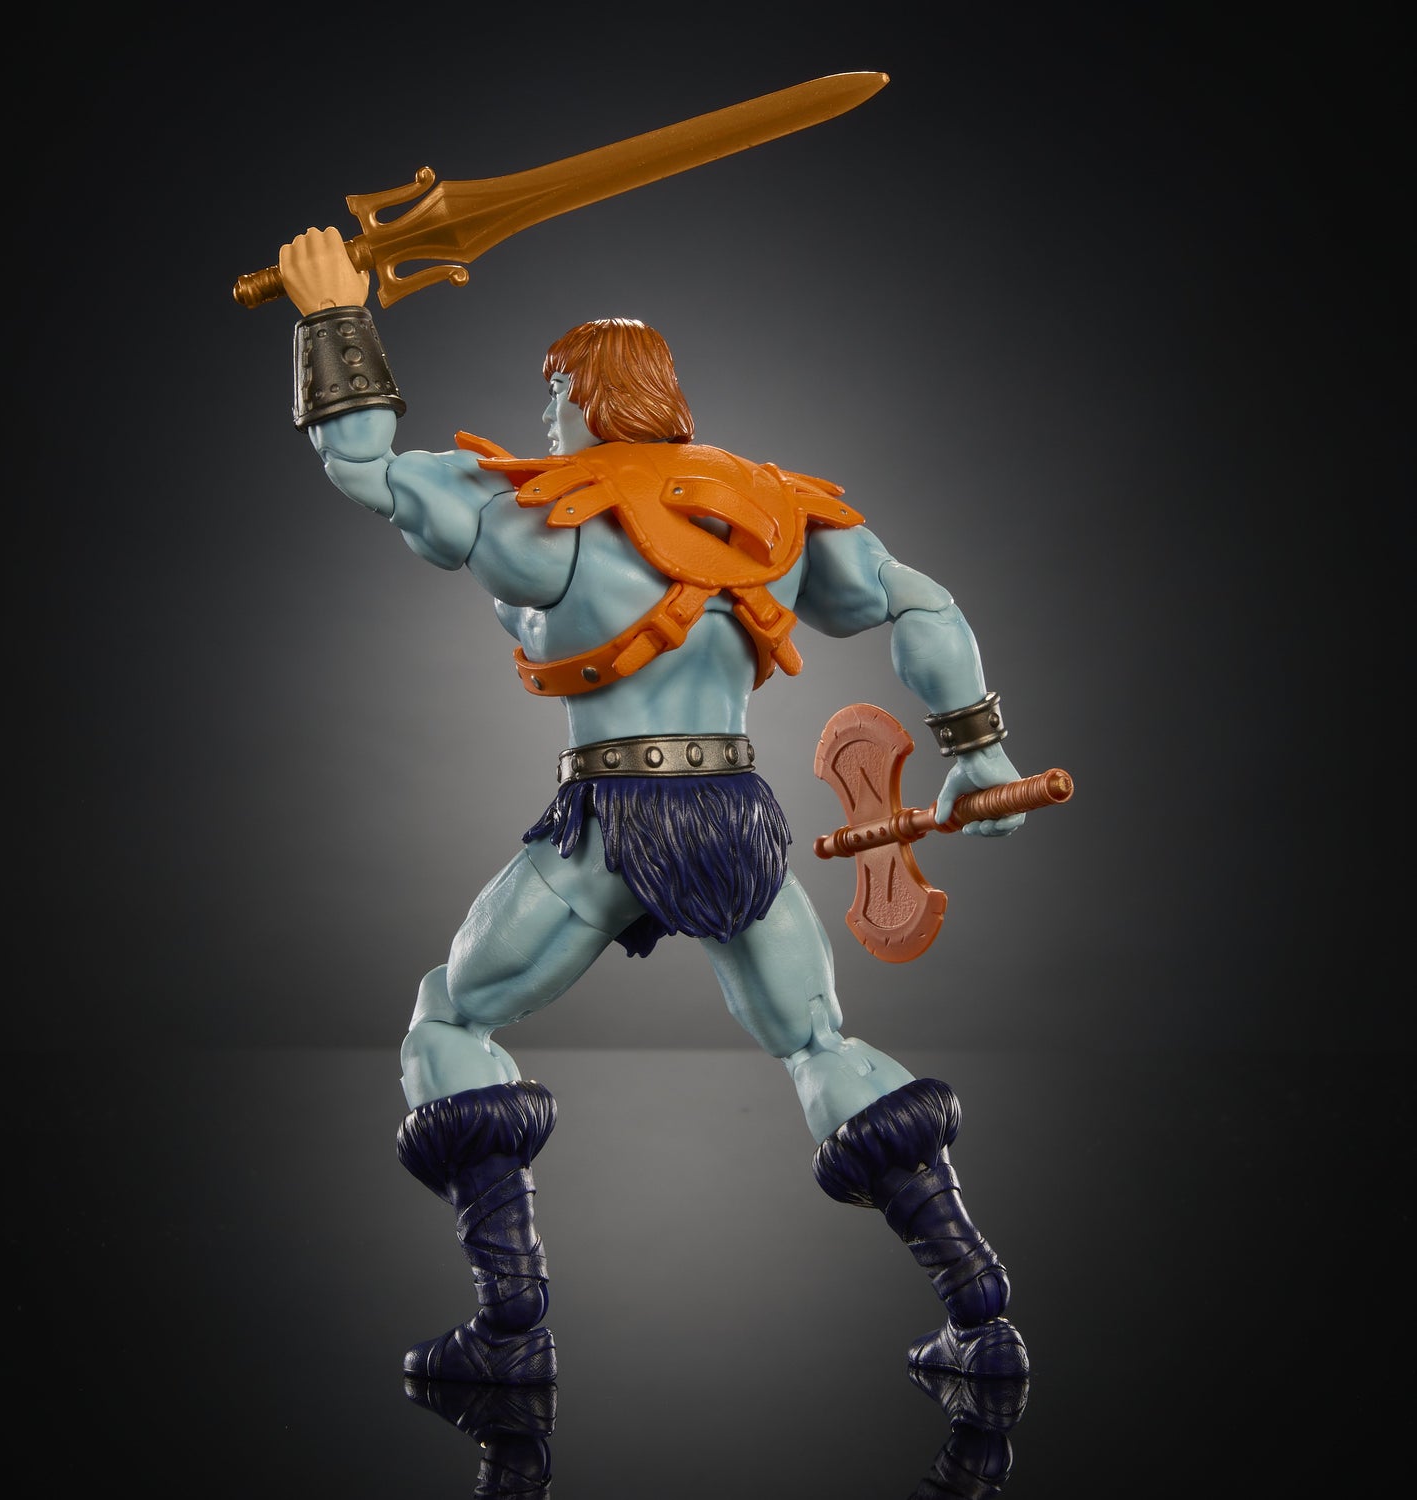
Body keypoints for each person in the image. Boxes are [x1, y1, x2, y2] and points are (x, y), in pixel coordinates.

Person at [277, 226, 1033, 1387]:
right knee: (817, 1043)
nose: (546, 420)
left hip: (609, 822)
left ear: (585, 395)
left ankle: (512, 1327)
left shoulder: (541, 515)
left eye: (554, 397)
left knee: (448, 1019)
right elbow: (919, 605)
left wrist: (333, 313)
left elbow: (365, 467)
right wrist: (979, 751)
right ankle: (979, 1312)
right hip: (735, 816)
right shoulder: (772, 512)